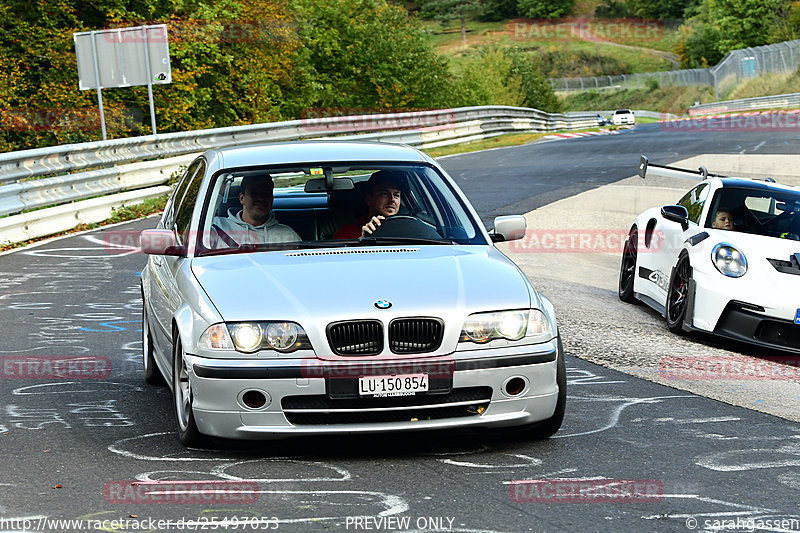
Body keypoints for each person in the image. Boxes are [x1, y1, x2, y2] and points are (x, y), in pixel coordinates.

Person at [211, 175, 300, 247]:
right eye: (254, 193)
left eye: (266, 194)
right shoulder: (217, 227)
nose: (261, 198)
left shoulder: (288, 235)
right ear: (242, 198)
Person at [334, 170, 403, 239]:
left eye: (396, 195)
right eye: (384, 194)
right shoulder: (347, 233)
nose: (392, 200)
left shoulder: (406, 227)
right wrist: (363, 239)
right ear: (368, 199)